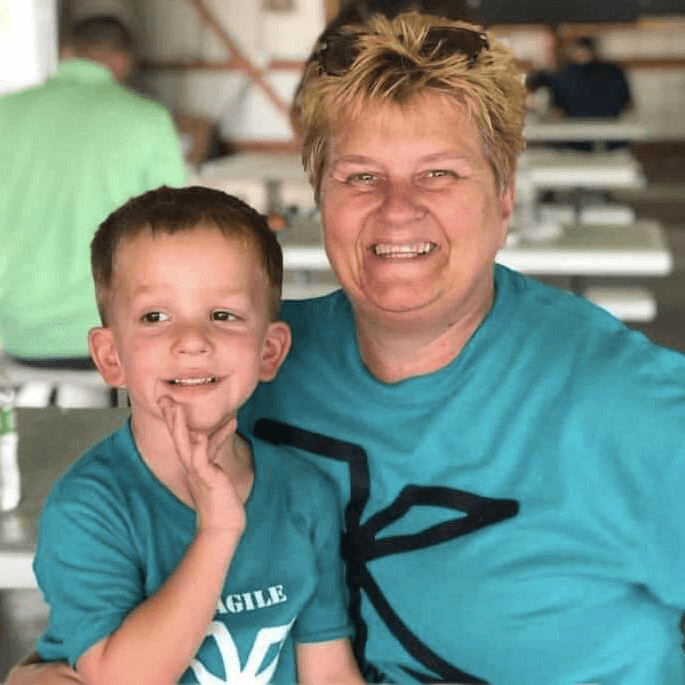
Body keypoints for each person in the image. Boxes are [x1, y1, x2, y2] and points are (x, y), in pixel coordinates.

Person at [8, 10, 685, 685]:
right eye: (360, 176)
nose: (396, 208)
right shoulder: (236, 365)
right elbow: (96, 628)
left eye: (439, 174)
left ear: (504, 196)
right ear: (319, 198)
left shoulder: (631, 407)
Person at [14, 185, 366, 685]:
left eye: (223, 315)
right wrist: (218, 531)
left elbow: (328, 670)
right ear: (111, 356)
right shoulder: (89, 508)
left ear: (269, 350)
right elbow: (123, 678)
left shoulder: (303, 493)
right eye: (155, 317)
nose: (193, 341)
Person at [0, 15, 186, 373]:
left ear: (65, 53)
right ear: (122, 62)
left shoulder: (4, 113)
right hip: (115, 333)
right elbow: (175, 226)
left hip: (19, 333)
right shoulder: (148, 119)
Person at [526, 35, 633, 150]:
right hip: (612, 141)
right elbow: (628, 104)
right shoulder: (615, 71)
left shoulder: (562, 74)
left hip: (573, 141)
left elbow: (534, 86)